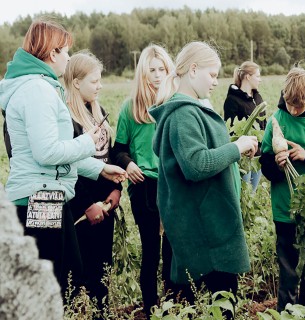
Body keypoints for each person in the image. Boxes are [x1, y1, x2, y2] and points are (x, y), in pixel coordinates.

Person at [0, 18, 127, 295]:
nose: (68, 58)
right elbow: (48, 152)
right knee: (54, 286)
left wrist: (99, 169)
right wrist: (86, 142)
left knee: (65, 277)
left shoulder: (38, 86)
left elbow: (54, 152)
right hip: (41, 197)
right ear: (52, 52)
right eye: (66, 51)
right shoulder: (36, 90)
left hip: (46, 194)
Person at [148, 41, 258, 315]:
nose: (216, 82)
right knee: (221, 306)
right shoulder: (183, 114)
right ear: (193, 70)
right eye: (212, 74)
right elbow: (196, 164)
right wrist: (237, 147)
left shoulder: (190, 109)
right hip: (206, 233)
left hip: (211, 227)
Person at [259, 66, 305, 312]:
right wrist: (276, 165)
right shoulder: (276, 119)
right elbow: (265, 167)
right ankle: (287, 314)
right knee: (288, 272)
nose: (293, 110)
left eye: (298, 107)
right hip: (285, 210)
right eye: (290, 105)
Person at [111, 43, 175, 316]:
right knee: (151, 248)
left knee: (173, 246)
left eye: (162, 69)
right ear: (143, 73)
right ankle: (150, 305)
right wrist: (129, 163)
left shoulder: (175, 103)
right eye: (152, 70)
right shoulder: (130, 108)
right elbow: (118, 149)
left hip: (173, 183)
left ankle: (174, 302)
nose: (158, 75)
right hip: (144, 184)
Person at [63, 51, 122, 311]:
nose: (100, 86)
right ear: (76, 82)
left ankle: (103, 313)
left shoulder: (101, 114)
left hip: (105, 206)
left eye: (100, 80)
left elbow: (109, 159)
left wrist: (115, 190)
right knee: (79, 272)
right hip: (80, 209)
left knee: (102, 268)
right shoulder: (66, 119)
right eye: (94, 81)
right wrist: (88, 204)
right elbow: (69, 165)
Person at [223, 61, 266, 192]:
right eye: (257, 76)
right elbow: (231, 131)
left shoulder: (257, 98)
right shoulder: (232, 100)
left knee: (251, 194)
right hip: (243, 158)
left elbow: (263, 125)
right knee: (242, 194)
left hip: (257, 157)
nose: (260, 79)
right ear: (248, 77)